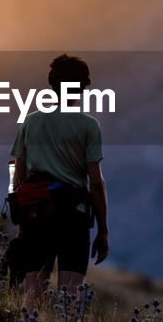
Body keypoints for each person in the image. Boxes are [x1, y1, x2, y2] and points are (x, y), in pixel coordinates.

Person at [7, 53, 109, 304]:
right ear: (83, 88)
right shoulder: (89, 126)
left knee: (33, 297)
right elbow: (96, 182)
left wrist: (22, 221)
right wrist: (103, 231)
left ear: (52, 85)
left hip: (36, 216)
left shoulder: (31, 122)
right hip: (73, 216)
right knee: (69, 299)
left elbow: (18, 175)